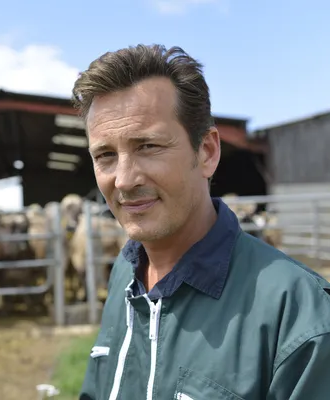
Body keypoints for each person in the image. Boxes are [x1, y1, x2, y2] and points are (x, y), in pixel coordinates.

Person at [71, 44, 330, 400]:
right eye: (105, 155)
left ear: (206, 152)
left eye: (148, 146)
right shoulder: (124, 275)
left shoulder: (298, 315)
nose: (124, 179)